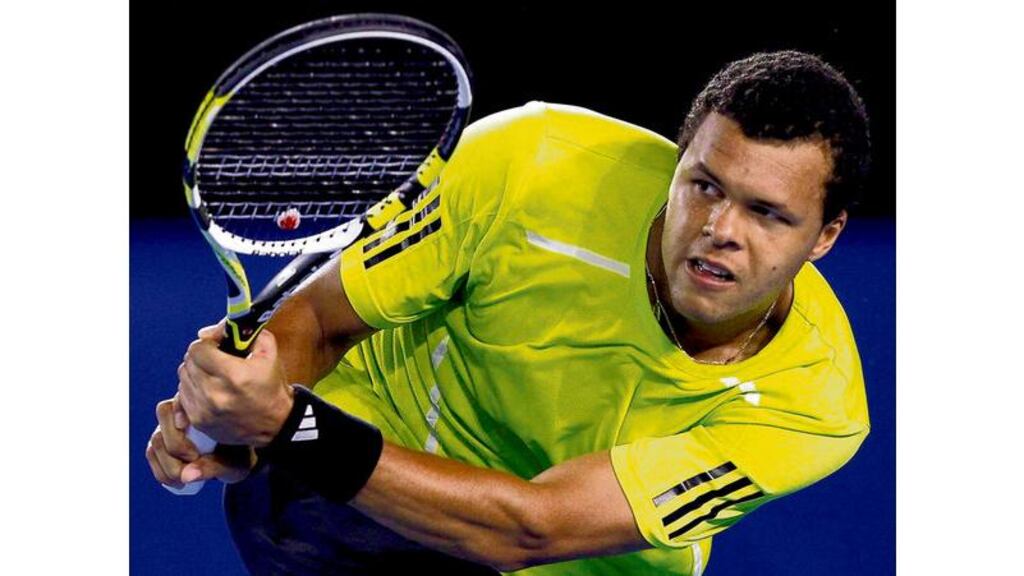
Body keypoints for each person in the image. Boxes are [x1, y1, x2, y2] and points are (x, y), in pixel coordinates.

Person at [147, 50, 872, 575]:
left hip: (555, 550)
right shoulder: (534, 162)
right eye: (705, 186)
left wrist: (283, 424)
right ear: (676, 162)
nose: (721, 228)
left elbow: (534, 530)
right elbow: (319, 320)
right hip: (348, 495)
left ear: (826, 235)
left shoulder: (812, 405)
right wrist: (242, 424)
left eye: (768, 214)